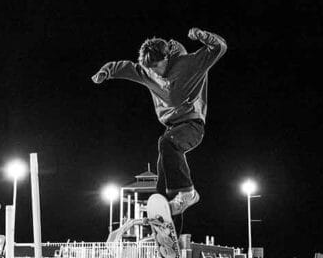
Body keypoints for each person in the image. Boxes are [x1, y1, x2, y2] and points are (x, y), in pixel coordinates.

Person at [91, 28, 227, 217]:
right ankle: (166, 220)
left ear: (166, 58)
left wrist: (202, 36)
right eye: (150, 69)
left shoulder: (189, 64)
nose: (154, 72)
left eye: (156, 66)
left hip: (192, 125)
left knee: (167, 142)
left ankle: (188, 193)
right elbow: (126, 67)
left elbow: (219, 47)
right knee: (163, 175)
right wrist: (106, 71)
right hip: (172, 127)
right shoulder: (148, 71)